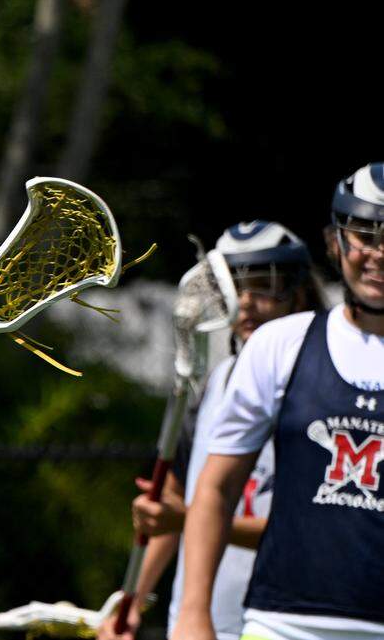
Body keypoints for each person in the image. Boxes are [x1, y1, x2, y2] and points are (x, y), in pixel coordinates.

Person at [172, 164, 384, 640]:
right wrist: (192, 614)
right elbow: (215, 490)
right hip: (281, 625)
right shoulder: (280, 345)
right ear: (334, 242)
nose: (380, 253)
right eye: (366, 234)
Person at [98, 221, 325, 640]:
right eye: (233, 290)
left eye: (264, 286)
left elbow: (320, 528)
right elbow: (171, 500)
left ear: (299, 290)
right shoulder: (212, 386)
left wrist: (186, 519)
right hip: (199, 623)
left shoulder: (327, 393)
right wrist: (131, 601)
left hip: (285, 623)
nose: (246, 304)